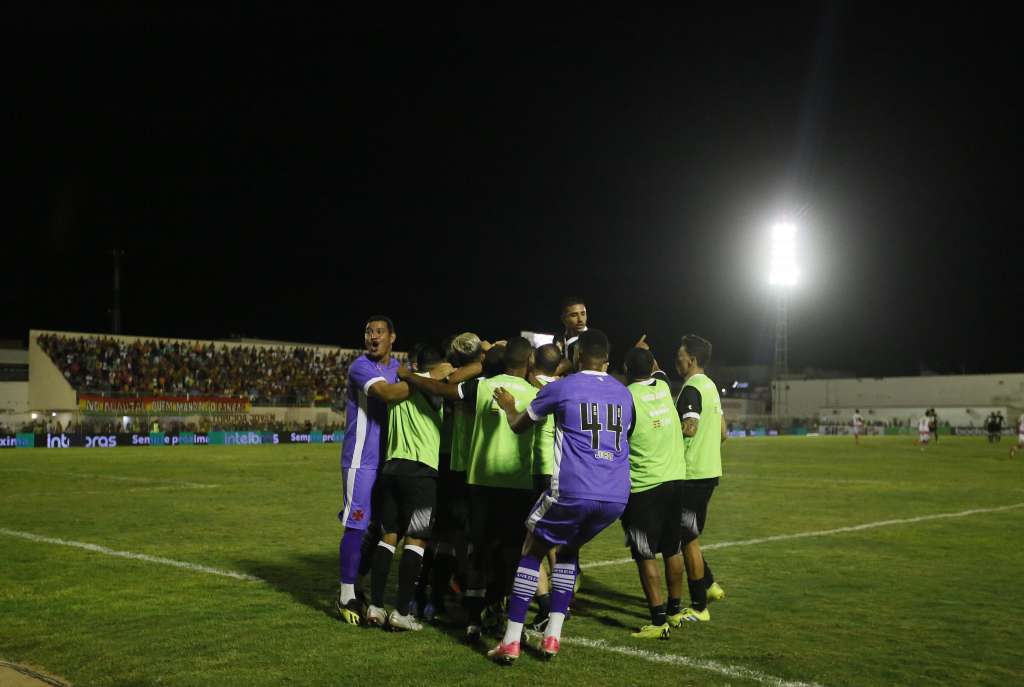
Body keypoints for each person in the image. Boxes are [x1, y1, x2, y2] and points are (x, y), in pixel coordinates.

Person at [488, 329, 634, 663]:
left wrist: (510, 407)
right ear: (607, 360)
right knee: (568, 550)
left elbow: (519, 425)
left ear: (578, 356)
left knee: (531, 547)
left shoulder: (563, 387)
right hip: (614, 497)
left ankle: (511, 639)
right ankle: (552, 636)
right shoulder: (624, 394)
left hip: (574, 489)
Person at [403, 337, 538, 641]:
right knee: (510, 554)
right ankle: (498, 610)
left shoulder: (483, 386)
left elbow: (441, 388)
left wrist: (410, 376)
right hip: (518, 484)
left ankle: (473, 621)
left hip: (480, 483)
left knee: (480, 552)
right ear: (528, 361)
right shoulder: (535, 394)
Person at [336, 316, 418, 625]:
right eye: (368, 331)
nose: (373, 336)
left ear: (392, 337)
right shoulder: (361, 367)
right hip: (360, 458)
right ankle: (345, 595)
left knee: (378, 527)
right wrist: (425, 380)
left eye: (379, 332)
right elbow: (388, 394)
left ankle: (356, 582)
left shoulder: (399, 368)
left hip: (389, 458)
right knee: (356, 524)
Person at [365, 346, 445, 631]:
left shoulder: (399, 387)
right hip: (421, 473)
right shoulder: (433, 387)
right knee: (416, 540)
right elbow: (437, 399)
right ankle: (401, 611)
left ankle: (375, 607)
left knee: (388, 537)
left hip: (391, 469)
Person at [622, 346, 686, 639]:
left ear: (626, 370)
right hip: (675, 479)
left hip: (644, 486)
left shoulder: (626, 397)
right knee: (673, 548)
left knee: (645, 553)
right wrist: (647, 354)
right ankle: (675, 611)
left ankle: (658, 620)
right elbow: (656, 367)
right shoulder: (663, 385)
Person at [672, 334, 726, 625]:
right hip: (708, 470)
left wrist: (664, 437)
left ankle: (699, 606)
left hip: (691, 474)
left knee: (686, 540)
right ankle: (709, 584)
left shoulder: (692, 388)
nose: (676, 360)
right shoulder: (711, 387)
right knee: (688, 535)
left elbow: (689, 428)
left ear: (690, 359)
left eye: (679, 355)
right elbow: (723, 431)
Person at [527, 343, 563, 631]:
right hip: (561, 471)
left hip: (540, 470)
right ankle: (562, 603)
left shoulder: (534, 386)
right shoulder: (565, 386)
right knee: (553, 539)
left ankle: (545, 606)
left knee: (530, 542)